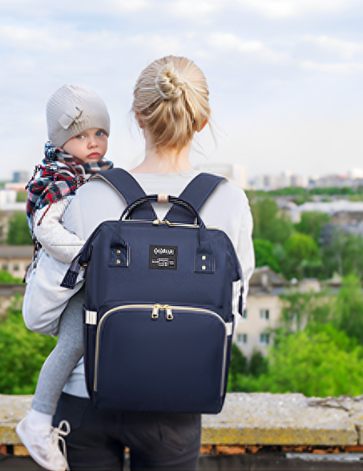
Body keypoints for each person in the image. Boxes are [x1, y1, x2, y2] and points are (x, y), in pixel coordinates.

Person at [49, 55, 255, 470]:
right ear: (201, 120)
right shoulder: (229, 202)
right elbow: (234, 306)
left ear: (137, 116)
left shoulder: (91, 196)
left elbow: (45, 312)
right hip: (176, 401)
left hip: (85, 397)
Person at [16, 84, 113, 471]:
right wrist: (94, 256)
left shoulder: (99, 171)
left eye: (100, 133)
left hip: (87, 277)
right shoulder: (57, 174)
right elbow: (46, 231)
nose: (92, 143)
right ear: (61, 140)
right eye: (80, 135)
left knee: (90, 344)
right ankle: (38, 421)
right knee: (72, 344)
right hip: (72, 278)